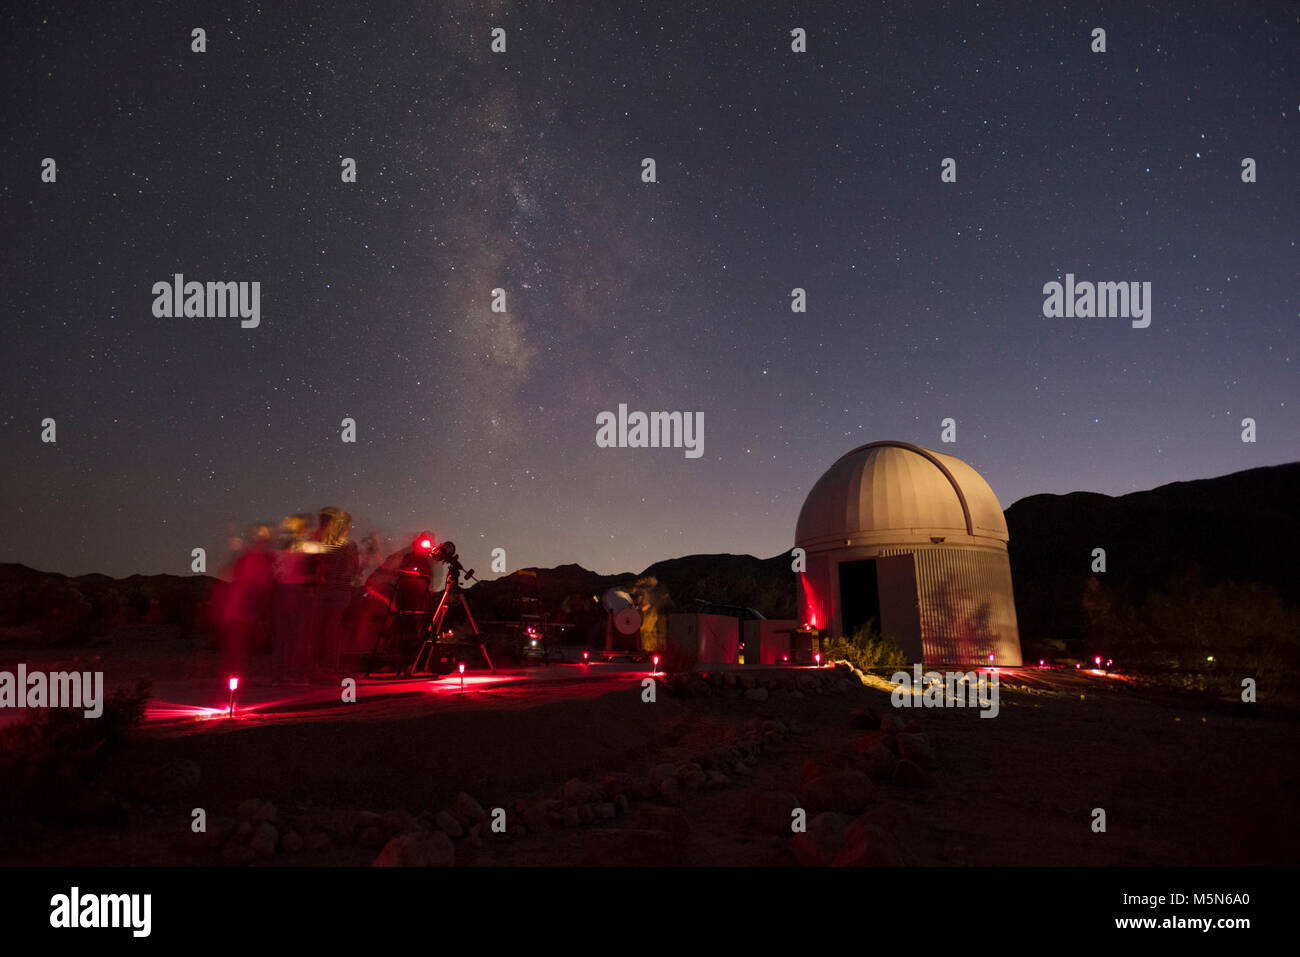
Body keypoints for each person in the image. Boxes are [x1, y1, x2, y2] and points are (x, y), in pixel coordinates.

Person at [220, 523, 275, 685]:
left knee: (237, 648)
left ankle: (232, 679)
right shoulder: (254, 558)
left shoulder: (249, 557)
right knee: (237, 648)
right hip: (241, 609)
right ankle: (232, 681)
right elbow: (262, 583)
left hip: (240, 609)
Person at [310, 507, 359, 680]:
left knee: (325, 630)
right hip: (335, 591)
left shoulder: (330, 543)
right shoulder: (346, 545)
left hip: (332, 590)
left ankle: (322, 667)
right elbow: (355, 570)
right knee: (329, 630)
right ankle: (326, 668)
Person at [272, 514, 318, 685]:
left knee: (282, 635)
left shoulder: (282, 546)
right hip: (298, 591)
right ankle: (296, 674)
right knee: (300, 635)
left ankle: (277, 675)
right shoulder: (305, 547)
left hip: (282, 591)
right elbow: (307, 572)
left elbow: (277, 571)